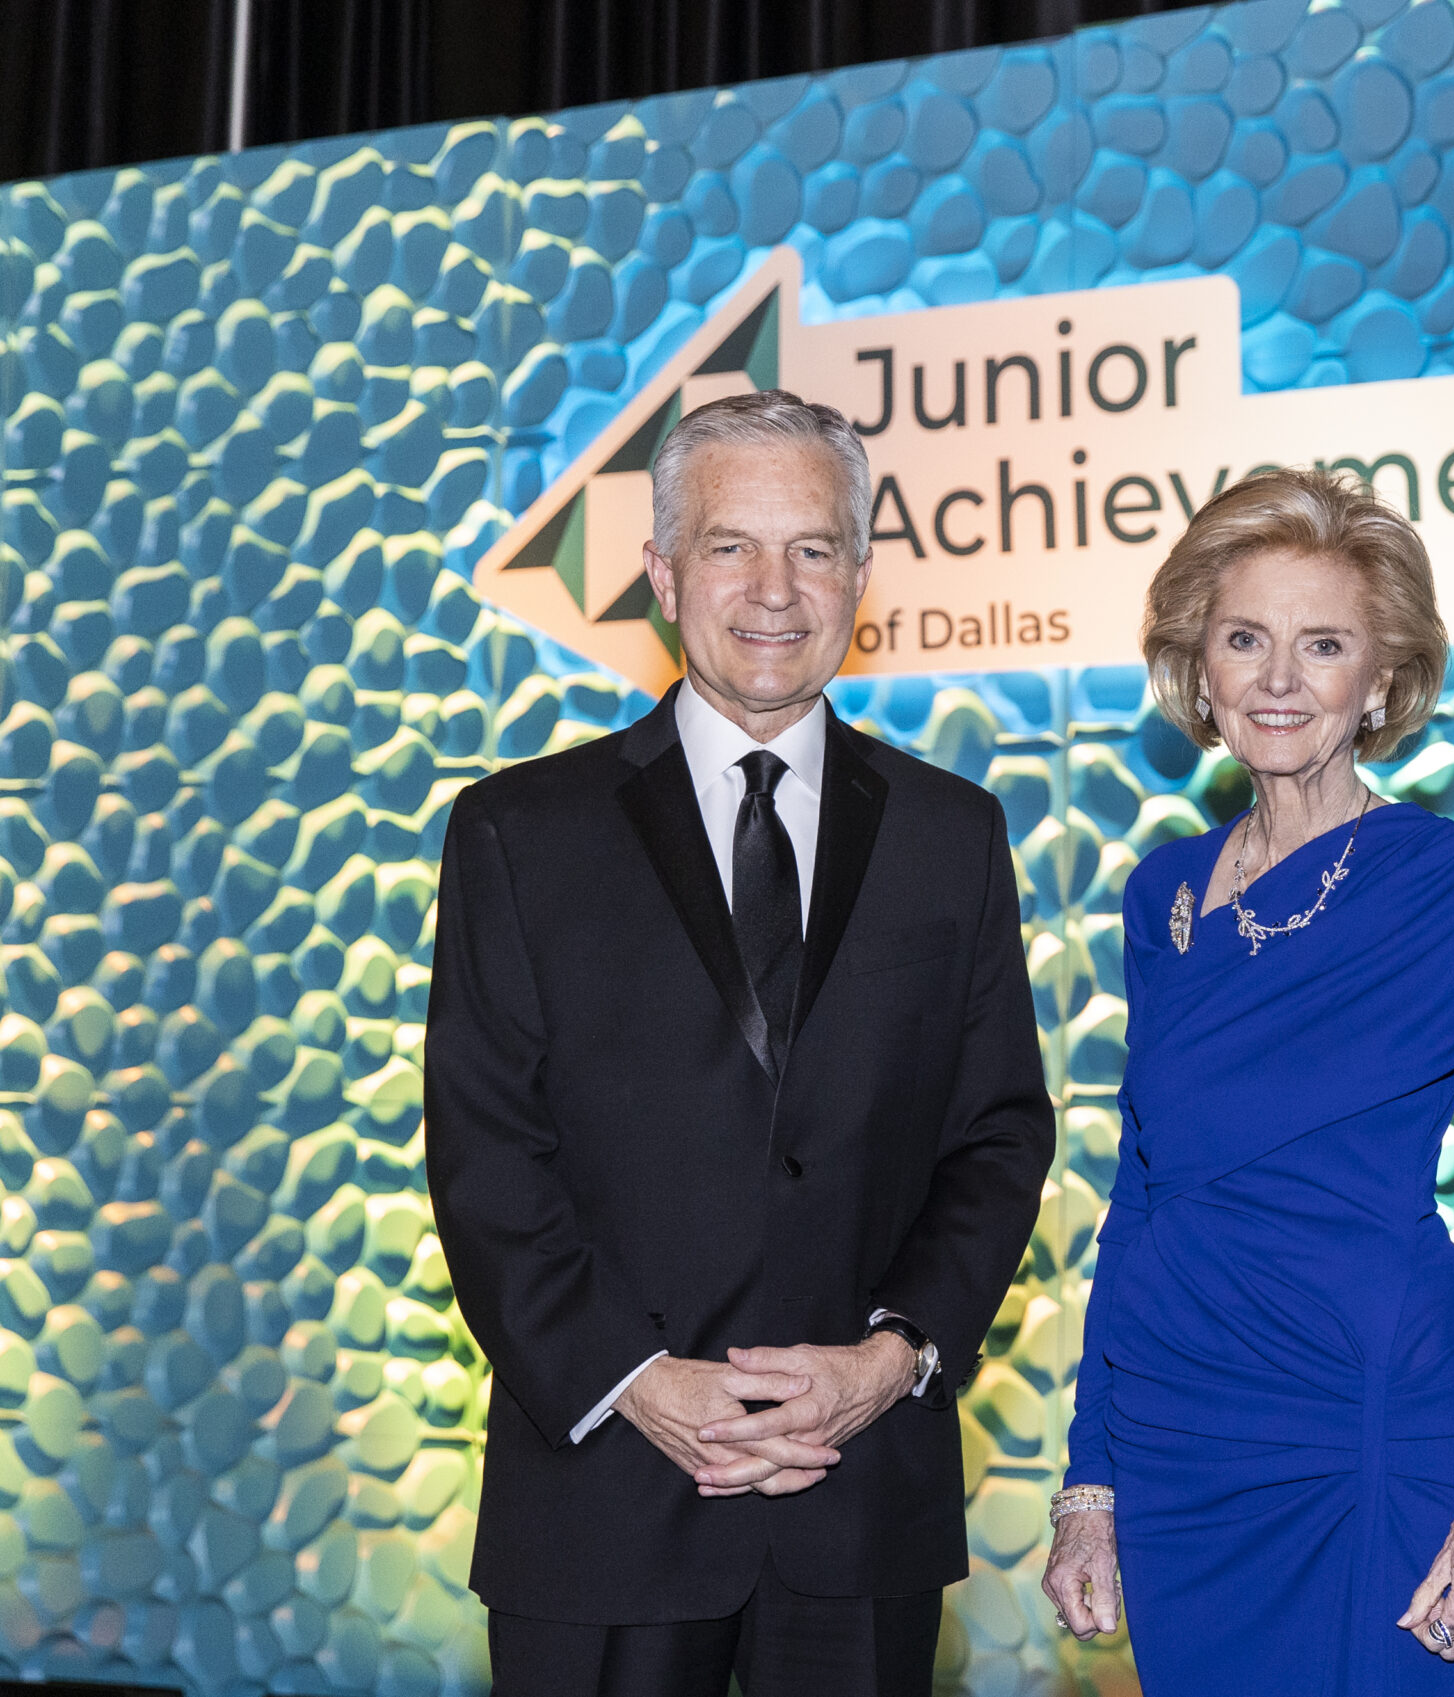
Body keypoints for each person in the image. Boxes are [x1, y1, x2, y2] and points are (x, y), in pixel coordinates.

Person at [424, 390, 1052, 1696]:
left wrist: (892, 1360)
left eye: (814, 547)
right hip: (605, 1510)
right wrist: (636, 1379)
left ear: (861, 575)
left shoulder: (956, 834)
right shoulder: (517, 833)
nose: (775, 588)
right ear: (660, 572)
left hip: (858, 1510)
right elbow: (487, 1152)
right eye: (730, 546)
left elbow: (997, 1136)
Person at [1038, 469, 1454, 1691]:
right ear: (1198, 669)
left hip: (1367, 1435)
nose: (1279, 679)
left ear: (1379, 679)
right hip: (1177, 1450)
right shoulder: (1158, 892)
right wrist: (1089, 1475)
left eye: (1322, 644)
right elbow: (1140, 1202)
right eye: (1245, 640)